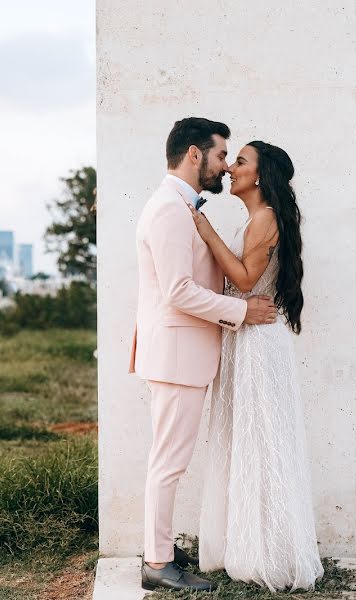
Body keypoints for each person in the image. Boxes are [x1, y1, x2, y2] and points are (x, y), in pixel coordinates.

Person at [129, 118, 278, 592]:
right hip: (177, 353)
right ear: (194, 155)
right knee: (168, 461)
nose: (224, 166)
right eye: (220, 156)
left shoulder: (179, 206)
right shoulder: (169, 210)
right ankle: (157, 562)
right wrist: (241, 311)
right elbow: (178, 291)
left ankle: (161, 552)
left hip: (182, 353)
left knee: (168, 458)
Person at [190, 141, 324, 592]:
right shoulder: (256, 219)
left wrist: (206, 232)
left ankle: (270, 551)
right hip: (244, 336)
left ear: (261, 176)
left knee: (262, 440)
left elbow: (246, 280)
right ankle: (247, 544)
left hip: (258, 344)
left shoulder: (265, 219)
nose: (229, 168)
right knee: (246, 438)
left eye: (240, 162)